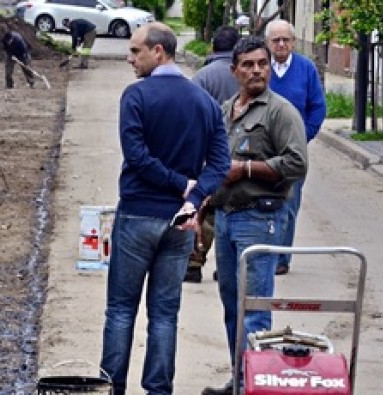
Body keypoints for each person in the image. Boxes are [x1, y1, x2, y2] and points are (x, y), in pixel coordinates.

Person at [100, 22, 230, 395]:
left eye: (136, 51)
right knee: (164, 313)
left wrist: (180, 186)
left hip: (140, 213)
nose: (129, 58)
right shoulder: (204, 102)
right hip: (180, 222)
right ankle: (158, 389)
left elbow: (137, 156)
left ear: (159, 52)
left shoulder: (137, 96)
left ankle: (111, 387)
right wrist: (192, 197)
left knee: (121, 310)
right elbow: (220, 164)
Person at [201, 35, 308, 395]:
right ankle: (242, 380)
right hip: (227, 217)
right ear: (234, 71)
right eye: (247, 65)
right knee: (233, 306)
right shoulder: (226, 108)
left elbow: (296, 162)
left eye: (262, 63)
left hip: (259, 220)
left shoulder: (280, 111)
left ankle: (255, 387)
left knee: (256, 311)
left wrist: (246, 170)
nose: (256, 70)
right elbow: (214, 160)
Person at [265, 19, 326, 276]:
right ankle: (260, 253)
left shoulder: (306, 69)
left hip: (293, 152)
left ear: (293, 42)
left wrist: (303, 137)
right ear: (268, 43)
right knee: (258, 202)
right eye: (276, 40)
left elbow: (317, 107)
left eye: (285, 39)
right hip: (262, 151)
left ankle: (281, 259)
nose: (281, 44)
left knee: (289, 205)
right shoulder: (260, 67)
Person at [185, 25, 241, 283]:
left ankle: (194, 263)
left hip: (209, 152)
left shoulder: (202, 77)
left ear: (212, 47)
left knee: (205, 209)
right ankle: (228, 265)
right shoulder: (245, 74)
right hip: (243, 150)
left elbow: (190, 117)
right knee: (232, 208)